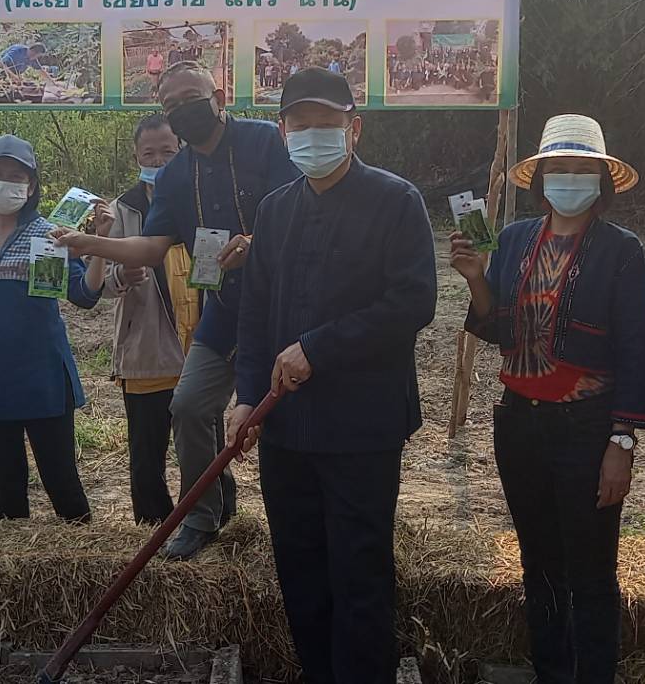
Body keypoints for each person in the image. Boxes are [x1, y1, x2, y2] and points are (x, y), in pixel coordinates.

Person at [231, 67, 436, 684]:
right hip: (286, 425)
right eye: (302, 125)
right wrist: (244, 398)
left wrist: (318, 348)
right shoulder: (274, 210)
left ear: (355, 129)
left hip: (360, 428)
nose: (314, 136)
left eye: (328, 124)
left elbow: (411, 304)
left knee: (359, 572)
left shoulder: (396, 201)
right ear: (282, 130)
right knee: (301, 571)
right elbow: (256, 312)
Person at [52, 60, 301, 559]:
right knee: (188, 406)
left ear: (220, 95)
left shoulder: (264, 142)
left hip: (286, 306)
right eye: (171, 105)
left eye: (192, 97)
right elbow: (151, 247)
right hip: (226, 309)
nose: (183, 110)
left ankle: (294, 524)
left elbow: (304, 209)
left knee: (289, 418)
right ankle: (202, 518)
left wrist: (257, 240)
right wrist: (91, 244)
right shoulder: (175, 176)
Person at [451, 115, 645, 684]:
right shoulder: (516, 239)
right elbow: (497, 328)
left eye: (580, 169)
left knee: (591, 569)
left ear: (601, 179)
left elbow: (637, 348)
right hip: (519, 423)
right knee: (537, 563)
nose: (568, 178)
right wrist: (474, 277)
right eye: (557, 169)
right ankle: (551, 672)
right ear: (539, 179)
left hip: (587, 428)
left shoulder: (622, 251)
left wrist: (622, 439)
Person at [0, 135, 101, 520]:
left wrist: (100, 244)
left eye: (16, 176)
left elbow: (83, 295)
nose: (5, 183)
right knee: (6, 486)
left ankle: (85, 562)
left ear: (31, 186)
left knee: (62, 480)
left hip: (43, 376)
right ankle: (14, 575)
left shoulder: (52, 235)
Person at [80, 114, 197, 524]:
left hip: (199, 349)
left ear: (182, 150)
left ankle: (210, 520)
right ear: (136, 156)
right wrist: (121, 275)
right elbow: (97, 285)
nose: (160, 160)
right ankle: (152, 531)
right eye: (150, 153)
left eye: (168, 151)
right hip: (145, 351)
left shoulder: (200, 198)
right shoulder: (119, 211)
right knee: (147, 455)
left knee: (203, 449)